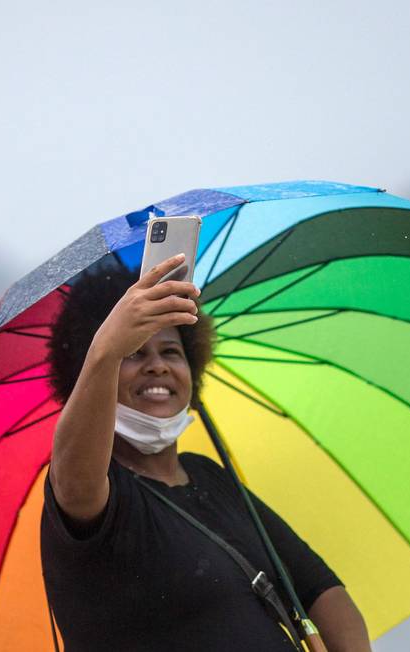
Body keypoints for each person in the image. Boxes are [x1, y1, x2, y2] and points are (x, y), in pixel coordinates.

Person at [41, 253, 371, 651]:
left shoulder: (209, 476)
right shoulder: (96, 494)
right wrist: (107, 349)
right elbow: (74, 480)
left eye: (171, 352)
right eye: (134, 353)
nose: (157, 366)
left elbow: (321, 589)